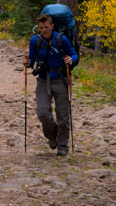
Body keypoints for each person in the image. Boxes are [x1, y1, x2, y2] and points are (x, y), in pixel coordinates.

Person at [23, 13, 78, 156]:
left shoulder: (61, 39)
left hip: (61, 79)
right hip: (43, 80)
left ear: (52, 26)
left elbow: (75, 54)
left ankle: (63, 145)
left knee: (63, 116)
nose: (44, 30)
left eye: (46, 27)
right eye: (41, 28)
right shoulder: (35, 40)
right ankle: (52, 135)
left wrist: (70, 59)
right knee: (42, 112)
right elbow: (32, 59)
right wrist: (28, 63)